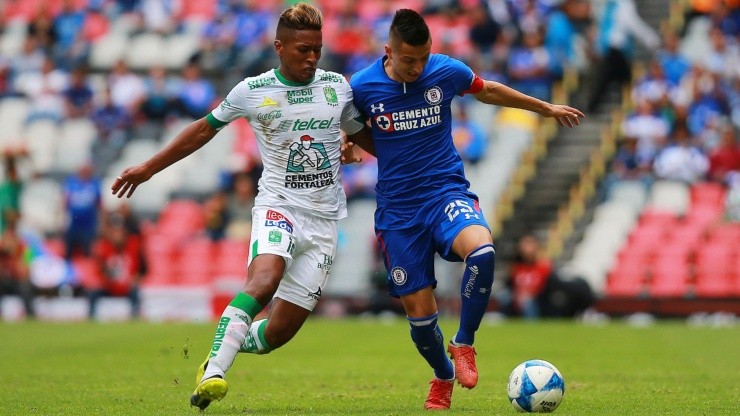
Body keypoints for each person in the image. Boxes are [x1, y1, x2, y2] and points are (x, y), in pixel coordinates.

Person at [110, 3, 369, 410]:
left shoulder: (337, 86)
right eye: (302, 49)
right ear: (279, 47)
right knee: (263, 281)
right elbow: (202, 130)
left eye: (317, 48)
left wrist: (376, 151)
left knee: (277, 335)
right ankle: (215, 370)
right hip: (278, 205)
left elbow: (362, 135)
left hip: (323, 220)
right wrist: (148, 168)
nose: (311, 57)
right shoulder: (252, 90)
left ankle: (224, 344)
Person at [348, 9, 583, 410]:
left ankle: (465, 344)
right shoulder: (362, 86)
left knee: (483, 250)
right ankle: (442, 375)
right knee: (421, 322)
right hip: (398, 213)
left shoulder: (444, 71)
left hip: (444, 193)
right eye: (409, 61)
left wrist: (545, 108)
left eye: (424, 58)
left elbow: (488, 90)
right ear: (388, 51)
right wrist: (351, 143)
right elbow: (352, 127)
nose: (418, 68)